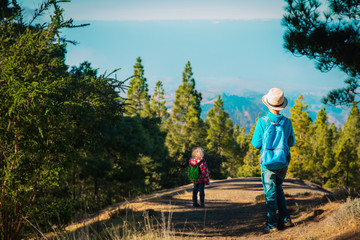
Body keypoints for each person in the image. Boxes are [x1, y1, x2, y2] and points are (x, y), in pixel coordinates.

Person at [251, 88, 295, 233]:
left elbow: (256, 144)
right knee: (279, 188)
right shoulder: (287, 122)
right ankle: (285, 219)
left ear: (268, 104)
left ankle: (272, 224)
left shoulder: (262, 122)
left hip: (268, 164)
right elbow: (291, 142)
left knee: (270, 193)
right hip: (283, 162)